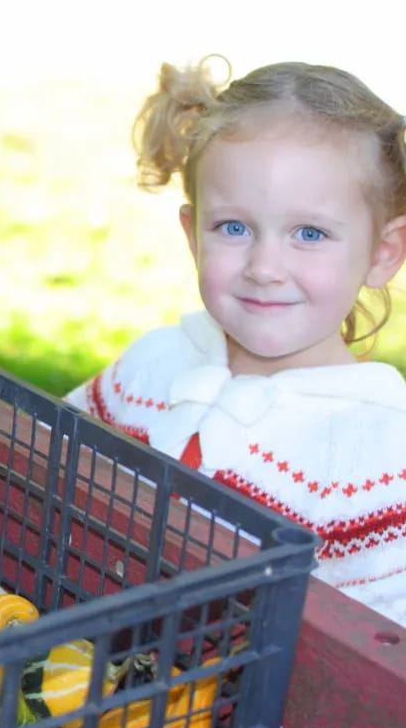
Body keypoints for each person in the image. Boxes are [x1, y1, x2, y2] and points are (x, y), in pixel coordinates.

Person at [65, 55, 406, 627]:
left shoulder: (376, 456)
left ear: (382, 253)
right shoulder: (153, 365)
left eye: (309, 233)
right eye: (234, 227)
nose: (265, 266)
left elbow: (371, 669)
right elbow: (42, 467)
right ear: (192, 235)